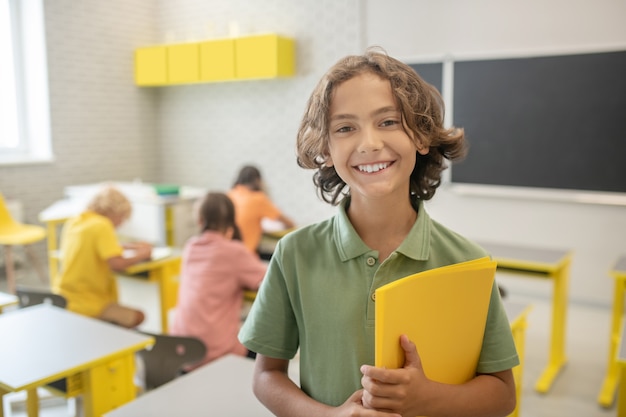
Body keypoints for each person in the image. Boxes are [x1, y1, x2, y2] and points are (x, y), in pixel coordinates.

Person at [238, 48, 519, 417]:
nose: (369, 143)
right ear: (326, 149)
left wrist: (428, 397)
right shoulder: (294, 254)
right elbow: (265, 375)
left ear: (421, 137)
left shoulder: (467, 263)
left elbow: (502, 394)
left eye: (388, 122)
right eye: (345, 128)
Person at [170, 192, 267, 368]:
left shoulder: (190, 247)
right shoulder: (235, 252)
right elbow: (268, 281)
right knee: (265, 349)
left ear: (199, 221)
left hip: (181, 350)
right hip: (215, 353)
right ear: (231, 222)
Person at [52, 185, 152, 328]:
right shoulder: (103, 225)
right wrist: (142, 255)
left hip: (62, 298)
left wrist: (128, 246)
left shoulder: (75, 221)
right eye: (122, 218)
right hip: (87, 303)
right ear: (115, 212)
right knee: (138, 316)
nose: (121, 223)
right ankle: (108, 337)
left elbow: (92, 247)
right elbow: (117, 264)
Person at [228, 165, 295, 254]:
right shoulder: (258, 198)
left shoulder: (229, 195)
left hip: (227, 253)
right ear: (258, 181)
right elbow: (290, 223)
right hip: (246, 253)